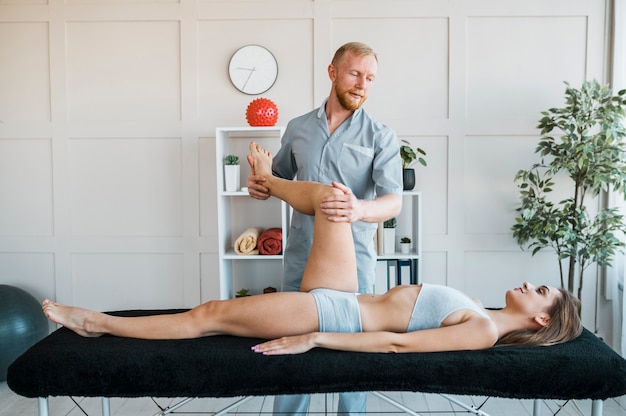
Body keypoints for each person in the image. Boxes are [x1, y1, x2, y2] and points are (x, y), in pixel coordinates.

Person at [44, 142, 582, 359]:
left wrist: (315, 338)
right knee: (334, 199)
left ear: (539, 318)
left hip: (336, 314)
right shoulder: (483, 313)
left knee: (209, 315)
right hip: (348, 292)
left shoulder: (486, 330)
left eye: (541, 292)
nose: (531, 285)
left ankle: (99, 323)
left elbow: (397, 346)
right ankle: (267, 179)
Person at [247, 41, 402, 415]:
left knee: (353, 359)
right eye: (354, 74)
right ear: (332, 72)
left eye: (370, 78)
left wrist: (360, 207)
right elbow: (278, 179)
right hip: (300, 259)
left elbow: (393, 201)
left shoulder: (381, 135)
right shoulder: (298, 128)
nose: (362, 84)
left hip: (355, 266)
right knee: (291, 353)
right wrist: (259, 186)